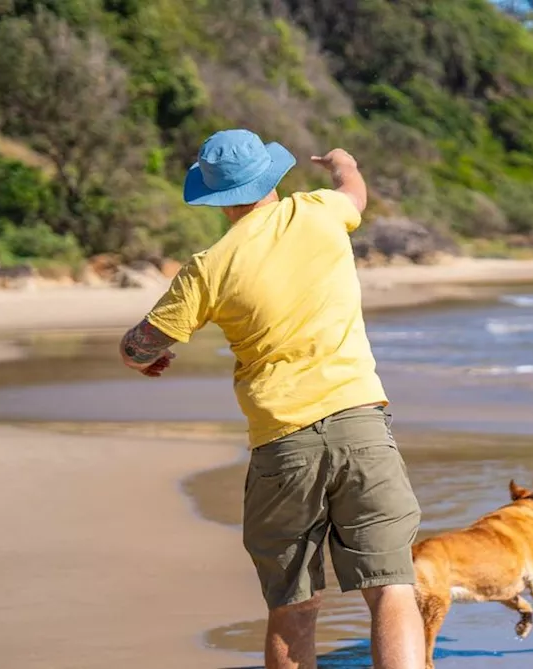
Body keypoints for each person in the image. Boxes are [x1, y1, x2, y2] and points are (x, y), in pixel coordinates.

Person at [118, 129, 424, 669]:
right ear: (270, 175)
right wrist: (341, 161)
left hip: (283, 443)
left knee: (293, 603)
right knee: (392, 587)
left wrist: (148, 359)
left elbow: (138, 345)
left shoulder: (209, 267)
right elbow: (355, 192)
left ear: (215, 196)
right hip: (361, 423)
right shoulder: (320, 212)